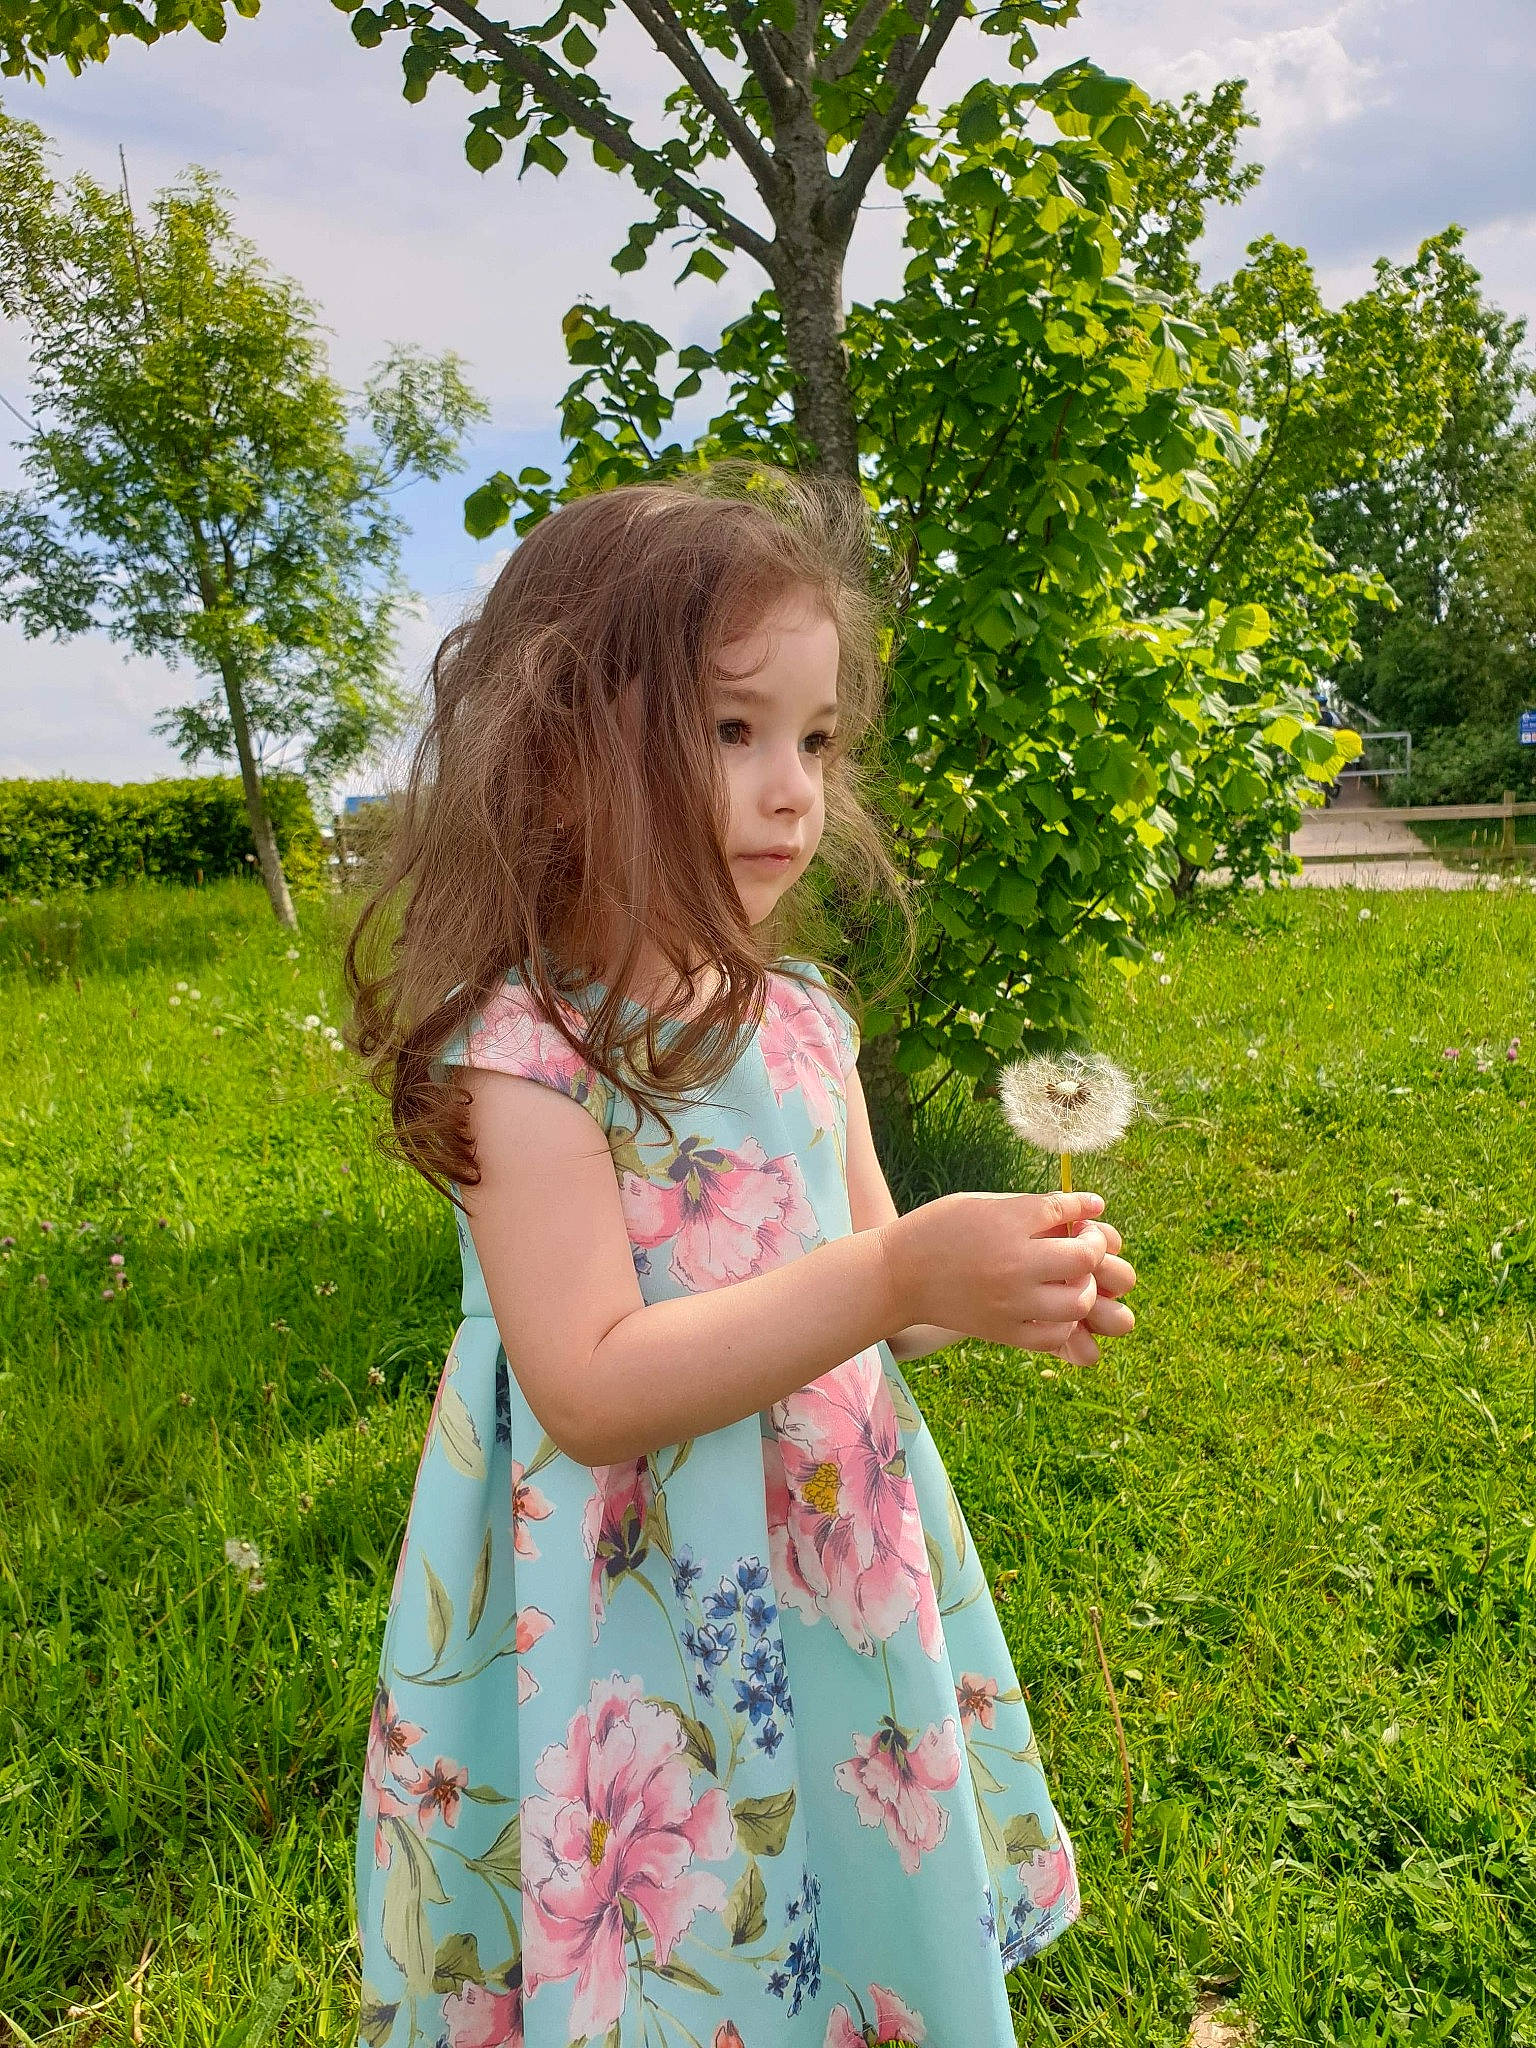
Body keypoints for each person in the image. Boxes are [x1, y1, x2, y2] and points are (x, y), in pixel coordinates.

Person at [343, 464, 1137, 2048]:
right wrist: (897, 1282)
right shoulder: (528, 1057)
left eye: (816, 741)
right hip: (623, 1601)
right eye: (731, 730)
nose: (793, 791)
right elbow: (590, 1385)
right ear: (558, 763)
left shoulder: (804, 1022)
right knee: (681, 1915)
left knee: (834, 1853)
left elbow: (873, 1271)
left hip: (826, 1555)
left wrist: (979, 1284)